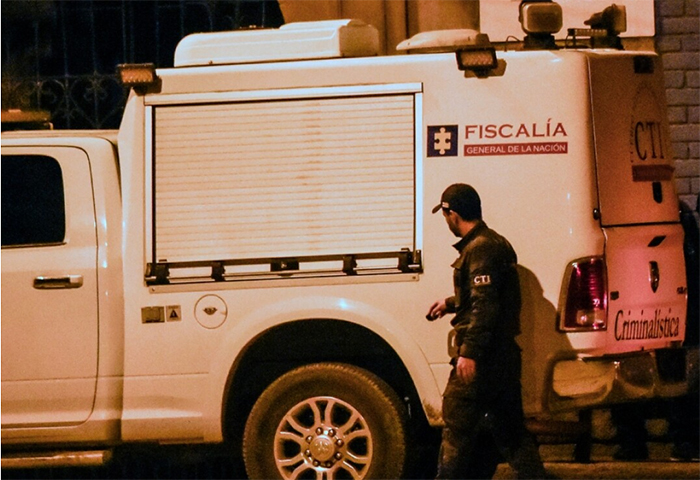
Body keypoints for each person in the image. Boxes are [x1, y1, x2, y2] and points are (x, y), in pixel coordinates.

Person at [426, 183, 547, 479]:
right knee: (511, 434)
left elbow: (486, 306)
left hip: (485, 360)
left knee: (456, 429)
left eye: (445, 216)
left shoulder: (480, 249)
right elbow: (489, 295)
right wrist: (450, 303)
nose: (446, 223)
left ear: (453, 214)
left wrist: (469, 353)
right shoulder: (493, 242)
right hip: (502, 358)